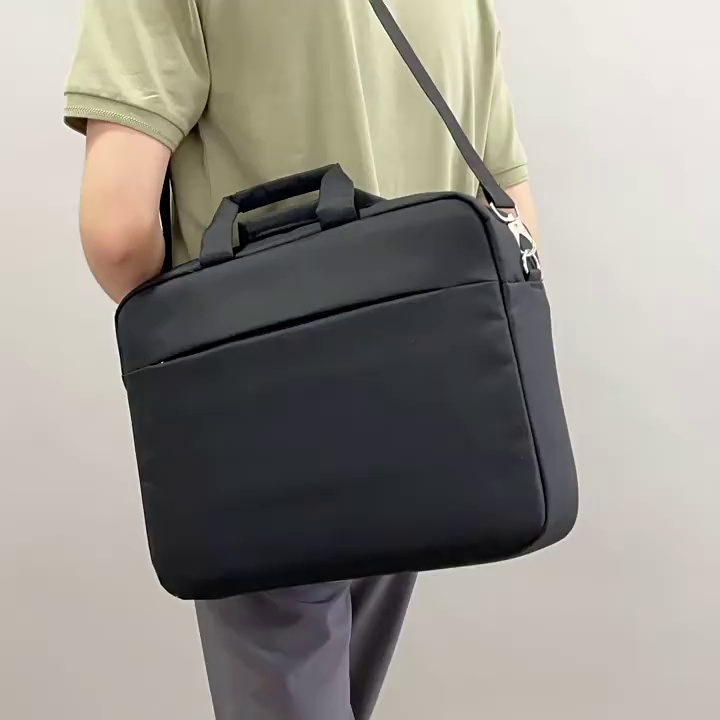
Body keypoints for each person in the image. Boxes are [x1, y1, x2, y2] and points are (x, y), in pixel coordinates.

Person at [64, 1, 538, 718]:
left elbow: (118, 233)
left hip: (258, 415)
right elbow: (516, 227)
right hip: (424, 408)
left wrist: (202, 335)